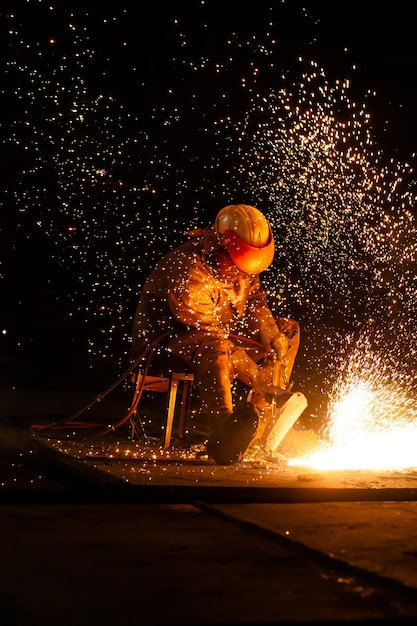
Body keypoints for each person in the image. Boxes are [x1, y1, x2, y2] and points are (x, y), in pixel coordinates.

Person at [132, 204, 301, 464]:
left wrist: (271, 332)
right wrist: (265, 384)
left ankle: (253, 425)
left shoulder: (241, 264)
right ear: (220, 244)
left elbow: (255, 301)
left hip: (218, 335)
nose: (241, 274)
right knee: (216, 347)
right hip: (169, 342)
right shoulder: (189, 270)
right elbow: (210, 335)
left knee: (288, 331)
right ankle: (224, 428)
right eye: (236, 266)